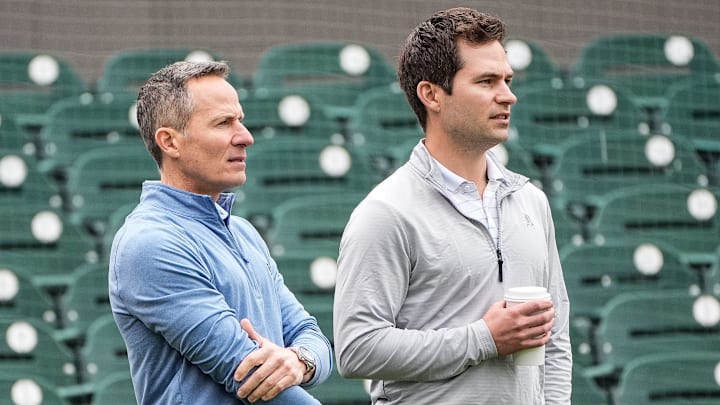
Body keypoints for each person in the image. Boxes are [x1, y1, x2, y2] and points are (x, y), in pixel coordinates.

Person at [333, 7, 572, 404]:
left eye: (507, 80)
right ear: (431, 95)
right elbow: (357, 348)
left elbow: (556, 339)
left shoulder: (532, 201)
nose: (508, 95)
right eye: (486, 81)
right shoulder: (385, 213)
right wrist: (484, 339)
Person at [108, 61, 332, 404]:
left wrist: (298, 360)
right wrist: (294, 364)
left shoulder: (243, 232)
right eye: (223, 123)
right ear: (170, 141)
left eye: (240, 120)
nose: (245, 137)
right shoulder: (149, 243)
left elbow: (311, 337)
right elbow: (250, 377)